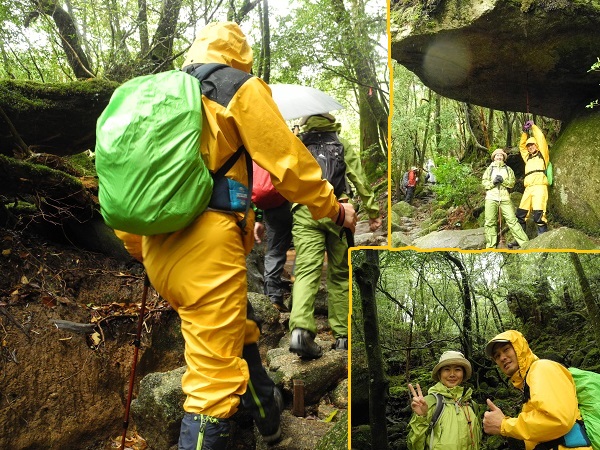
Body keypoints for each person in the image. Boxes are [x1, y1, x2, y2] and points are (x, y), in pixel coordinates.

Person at [114, 22, 357, 450]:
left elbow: (123, 182)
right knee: (212, 383)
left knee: (239, 335)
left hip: (155, 248)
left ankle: (271, 425)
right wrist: (334, 209)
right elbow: (289, 165)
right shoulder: (234, 86)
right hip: (208, 248)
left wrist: (141, 248)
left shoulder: (151, 94)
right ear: (240, 55)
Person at [288, 113, 382, 359]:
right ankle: (342, 336)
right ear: (330, 119)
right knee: (340, 273)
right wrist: (373, 212)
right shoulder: (341, 142)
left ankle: (300, 332)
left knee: (306, 270)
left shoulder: (297, 142)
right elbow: (359, 178)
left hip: (304, 210)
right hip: (338, 211)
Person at [483, 330, 592, 450]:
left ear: (519, 347)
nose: (502, 357)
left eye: (506, 349)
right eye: (497, 356)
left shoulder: (541, 369)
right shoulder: (528, 382)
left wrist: (504, 425)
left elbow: (557, 420)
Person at [407, 350, 481, 450]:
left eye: (457, 369)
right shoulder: (429, 403)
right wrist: (421, 418)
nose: (452, 374)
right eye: (447, 369)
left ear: (463, 374)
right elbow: (414, 446)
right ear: (439, 374)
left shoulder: (471, 405)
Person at [482, 148, 529, 249]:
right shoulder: (489, 169)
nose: (499, 157)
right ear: (494, 157)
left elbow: (512, 183)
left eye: (501, 155)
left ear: (503, 157)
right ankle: (490, 247)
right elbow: (484, 183)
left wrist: (502, 181)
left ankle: (525, 244)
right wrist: (493, 182)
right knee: (490, 222)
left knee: (512, 220)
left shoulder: (508, 169)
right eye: (497, 155)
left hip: (505, 197)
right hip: (491, 197)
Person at [253, 200, 293, 312]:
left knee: (274, 252)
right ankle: (301, 299)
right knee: (305, 250)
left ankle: (273, 298)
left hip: (272, 205)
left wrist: (259, 217)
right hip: (297, 205)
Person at [516, 120, 550, 235]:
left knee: (539, 214)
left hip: (540, 187)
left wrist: (533, 127)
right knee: (521, 214)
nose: (530, 147)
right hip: (528, 188)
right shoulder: (528, 158)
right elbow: (521, 147)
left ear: (536, 146)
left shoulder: (543, 156)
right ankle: (520, 239)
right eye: (529, 146)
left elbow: (541, 139)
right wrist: (525, 132)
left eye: (532, 145)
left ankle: (542, 238)